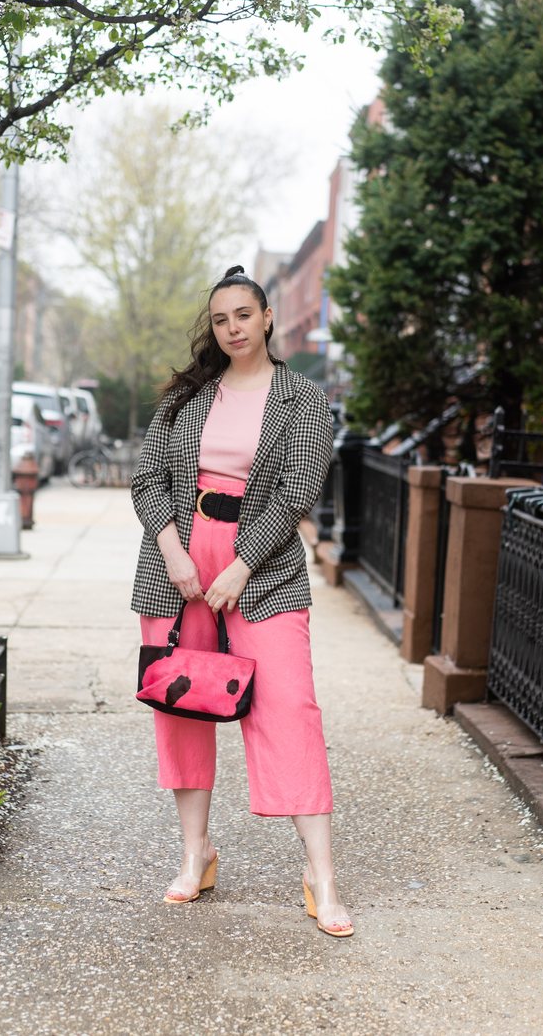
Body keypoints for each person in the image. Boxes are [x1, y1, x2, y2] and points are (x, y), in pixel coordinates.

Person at [131, 265, 353, 938]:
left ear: (266, 318)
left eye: (243, 314)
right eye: (221, 318)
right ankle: (195, 854)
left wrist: (241, 563)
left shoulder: (303, 399)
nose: (232, 327)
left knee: (291, 706)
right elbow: (147, 476)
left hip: (263, 568)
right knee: (182, 706)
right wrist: (174, 551)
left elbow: (296, 490)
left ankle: (322, 876)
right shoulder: (185, 397)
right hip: (176, 565)